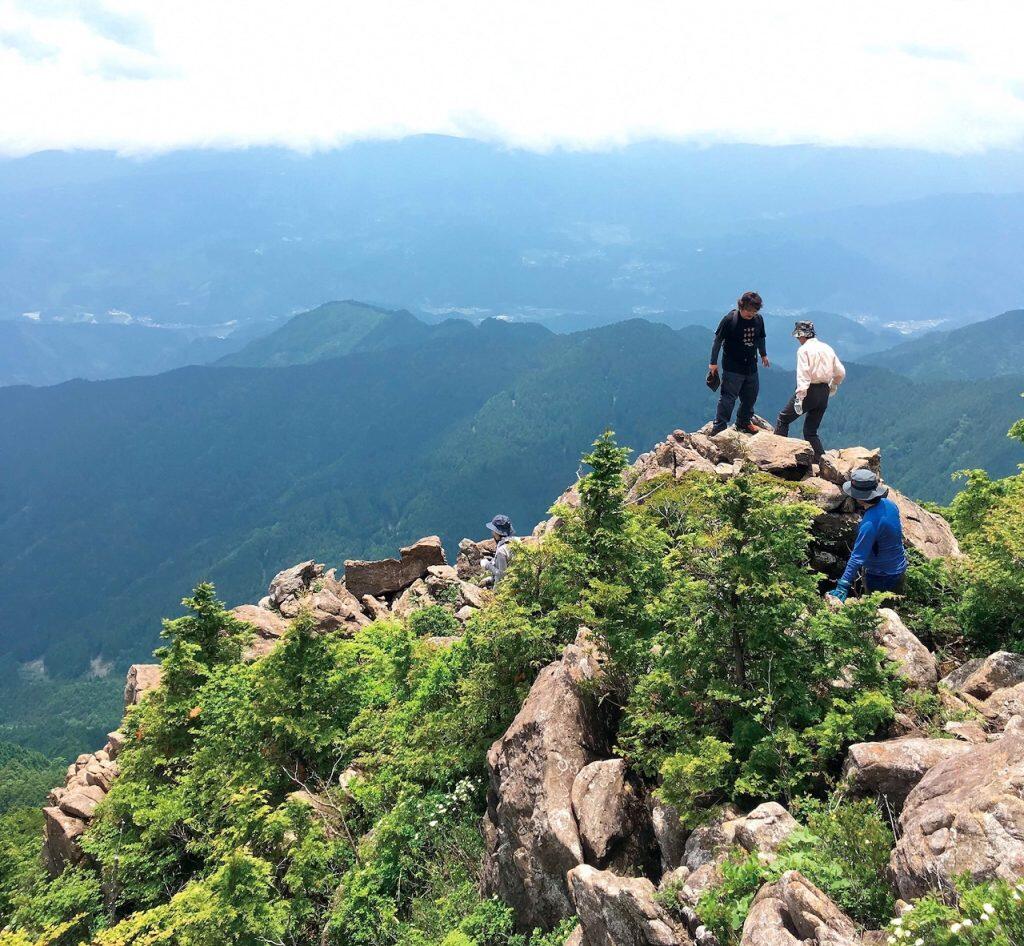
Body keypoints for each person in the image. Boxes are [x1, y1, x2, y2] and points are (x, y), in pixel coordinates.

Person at [829, 469, 908, 602]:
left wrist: (843, 584)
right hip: (899, 570)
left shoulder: (869, 524)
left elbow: (857, 557)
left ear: (860, 498)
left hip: (880, 577)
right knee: (892, 611)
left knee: (879, 615)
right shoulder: (890, 505)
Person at [773, 320, 846, 460]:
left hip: (809, 391)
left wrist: (800, 397)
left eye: (798, 336)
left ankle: (777, 456)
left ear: (801, 335)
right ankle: (822, 461)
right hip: (824, 391)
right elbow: (840, 372)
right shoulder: (827, 348)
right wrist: (834, 384)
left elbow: (803, 375)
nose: (798, 340)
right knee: (811, 431)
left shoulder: (803, 350)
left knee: (783, 419)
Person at [708, 291, 770, 434]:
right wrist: (713, 362)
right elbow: (718, 340)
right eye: (748, 310)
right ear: (741, 306)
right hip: (732, 367)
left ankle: (743, 422)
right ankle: (720, 427)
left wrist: (763, 354)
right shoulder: (730, 319)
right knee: (728, 398)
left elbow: (761, 338)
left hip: (751, 366)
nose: (750, 313)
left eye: (754, 311)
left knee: (751, 396)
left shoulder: (758, 320)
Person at [481, 514, 515, 587]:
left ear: (497, 532)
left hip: (504, 590)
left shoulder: (501, 551)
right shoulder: (517, 542)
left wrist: (487, 565)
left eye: (493, 530)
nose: (492, 533)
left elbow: (502, 575)